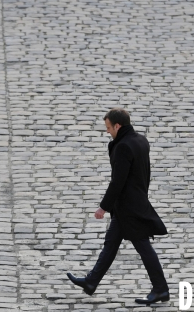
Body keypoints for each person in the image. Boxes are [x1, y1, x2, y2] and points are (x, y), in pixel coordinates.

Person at [66, 108, 169, 305]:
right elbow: (145, 174)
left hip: (129, 207)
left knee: (143, 247)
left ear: (117, 126)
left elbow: (117, 182)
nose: (107, 132)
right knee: (111, 244)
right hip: (132, 203)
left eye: (108, 128)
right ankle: (91, 282)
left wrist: (103, 207)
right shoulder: (140, 140)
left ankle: (161, 289)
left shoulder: (122, 147)